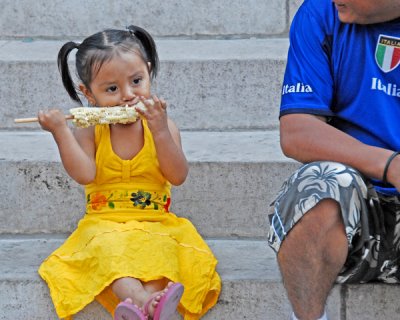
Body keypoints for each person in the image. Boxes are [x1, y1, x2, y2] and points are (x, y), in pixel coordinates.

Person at [37, 25, 221, 320]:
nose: (128, 96)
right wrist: (61, 132)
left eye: (137, 81)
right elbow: (84, 174)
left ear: (148, 72)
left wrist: (160, 131)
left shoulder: (162, 126)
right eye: (111, 89)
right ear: (87, 93)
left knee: (164, 251)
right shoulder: (91, 130)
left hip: (156, 220)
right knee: (109, 252)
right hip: (104, 223)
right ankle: (144, 300)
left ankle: (145, 303)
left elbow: (177, 175)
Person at [267, 0, 400, 319]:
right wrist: (390, 164)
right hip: (359, 215)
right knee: (320, 187)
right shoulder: (321, 13)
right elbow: (297, 132)